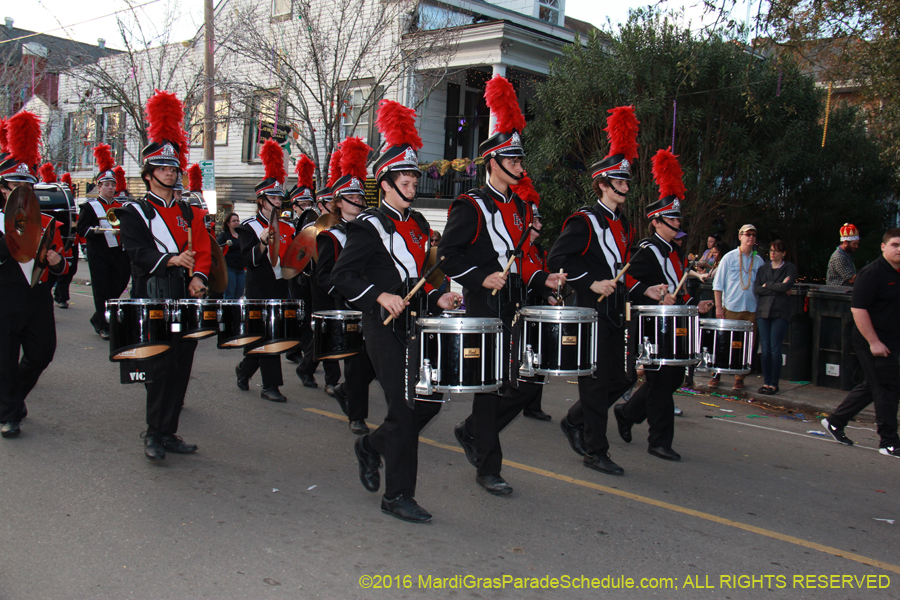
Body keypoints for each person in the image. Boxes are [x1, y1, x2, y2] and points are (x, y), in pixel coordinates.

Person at [331, 99, 462, 522]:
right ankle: (398, 496)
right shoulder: (367, 226)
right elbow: (342, 278)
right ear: (385, 182)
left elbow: (417, 281)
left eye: (413, 173)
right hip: (383, 327)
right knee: (405, 408)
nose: (411, 180)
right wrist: (377, 296)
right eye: (403, 174)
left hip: (418, 322)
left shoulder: (420, 225)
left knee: (429, 403)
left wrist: (438, 296)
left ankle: (369, 447)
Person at [442, 76, 565, 495]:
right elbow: (448, 256)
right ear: (493, 161)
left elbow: (521, 260)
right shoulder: (470, 205)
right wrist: (479, 276)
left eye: (520, 159)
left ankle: (473, 430)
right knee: (491, 383)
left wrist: (540, 276)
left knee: (525, 382)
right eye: (512, 159)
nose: (519, 165)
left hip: (514, 301)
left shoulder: (520, 207)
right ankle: (488, 466)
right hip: (483, 301)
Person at [547, 105, 642, 476]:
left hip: (615, 309)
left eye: (626, 182)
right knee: (596, 379)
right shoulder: (584, 220)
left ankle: (574, 421)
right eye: (619, 182)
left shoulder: (622, 225)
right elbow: (558, 258)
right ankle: (594, 449)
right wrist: (589, 281)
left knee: (621, 378)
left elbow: (620, 266)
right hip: (589, 309)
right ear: (603, 184)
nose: (625, 188)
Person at [115, 91, 210, 460]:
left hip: (185, 295)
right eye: (164, 169)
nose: (171, 173)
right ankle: (153, 433)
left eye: (174, 168)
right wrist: (171, 260)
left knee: (181, 365)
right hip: (153, 292)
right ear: (150, 173)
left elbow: (202, 249)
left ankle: (169, 431)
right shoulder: (134, 212)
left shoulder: (189, 210)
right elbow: (136, 254)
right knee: (159, 365)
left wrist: (199, 277)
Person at [613, 148, 714, 461]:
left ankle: (628, 414)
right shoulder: (646, 250)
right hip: (651, 326)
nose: (676, 224)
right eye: (671, 219)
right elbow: (625, 281)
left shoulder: (674, 253)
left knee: (668, 380)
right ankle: (659, 440)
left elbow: (677, 290)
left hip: (673, 325)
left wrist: (694, 304)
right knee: (661, 380)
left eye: (677, 218)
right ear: (656, 222)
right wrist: (650, 292)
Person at [0, 111, 69, 438]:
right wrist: (14, 233)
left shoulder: (47, 220)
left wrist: (55, 260)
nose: (23, 189)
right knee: (4, 360)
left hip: (37, 295)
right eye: (16, 184)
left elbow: (62, 265)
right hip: (4, 295)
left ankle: (13, 399)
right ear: (2, 188)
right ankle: (8, 413)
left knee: (42, 353)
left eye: (28, 184)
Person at [822, 229, 900, 458]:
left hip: (891, 338)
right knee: (886, 388)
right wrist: (874, 342)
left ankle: (835, 421)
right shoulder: (872, 273)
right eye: (895, 244)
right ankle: (889, 441)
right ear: (883, 247)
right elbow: (858, 309)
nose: (899, 249)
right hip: (870, 339)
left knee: (873, 384)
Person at [316, 137, 374, 435]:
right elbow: (324, 275)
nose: (358, 202)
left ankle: (343, 391)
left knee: (373, 361)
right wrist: (345, 294)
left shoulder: (370, 230)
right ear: (339, 202)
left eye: (360, 197)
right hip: (349, 305)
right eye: (351, 197)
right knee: (354, 361)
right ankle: (356, 415)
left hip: (374, 302)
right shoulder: (330, 236)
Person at [234, 139, 296, 403]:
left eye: (280, 197)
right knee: (269, 336)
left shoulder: (289, 227)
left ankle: (244, 368)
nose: (278, 202)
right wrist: (261, 241)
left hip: (283, 286)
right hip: (259, 287)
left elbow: (294, 257)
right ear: (261, 200)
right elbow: (246, 260)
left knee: (272, 335)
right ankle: (270, 386)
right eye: (273, 198)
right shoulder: (248, 226)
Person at [296, 154, 342, 394]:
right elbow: (302, 253)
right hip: (320, 279)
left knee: (333, 327)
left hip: (340, 277)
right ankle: (332, 378)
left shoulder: (342, 223)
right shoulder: (309, 222)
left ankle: (306, 367)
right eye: (327, 203)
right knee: (327, 327)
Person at [76, 143, 132, 340]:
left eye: (112, 184)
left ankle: (99, 317)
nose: (110, 187)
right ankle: (103, 324)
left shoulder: (122, 205)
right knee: (102, 289)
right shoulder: (90, 206)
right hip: (99, 252)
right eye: (106, 185)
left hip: (119, 252)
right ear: (99, 187)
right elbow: (81, 228)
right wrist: (95, 231)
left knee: (119, 285)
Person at [710, 224, 764, 390]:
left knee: (746, 344)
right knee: (724, 341)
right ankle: (716, 372)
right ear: (740, 236)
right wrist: (719, 307)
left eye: (753, 235)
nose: (750, 238)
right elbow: (717, 285)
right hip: (732, 307)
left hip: (751, 308)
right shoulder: (729, 257)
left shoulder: (759, 260)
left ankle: (739, 377)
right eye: (747, 234)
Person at [521, 201, 554, 422]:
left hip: (539, 309)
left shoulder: (538, 252)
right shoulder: (519, 248)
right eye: (536, 221)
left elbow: (542, 279)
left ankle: (533, 404)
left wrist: (550, 295)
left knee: (540, 357)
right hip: (523, 310)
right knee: (525, 357)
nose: (540, 224)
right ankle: (520, 398)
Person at [285, 154, 318, 364]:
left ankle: (300, 349)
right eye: (302, 202)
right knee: (299, 314)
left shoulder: (314, 220)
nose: (307, 206)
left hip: (309, 274)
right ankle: (296, 349)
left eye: (309, 202)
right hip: (294, 274)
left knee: (307, 316)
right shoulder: (286, 224)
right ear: (294, 205)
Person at [754, 239, 797, 394]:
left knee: (774, 348)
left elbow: (786, 286)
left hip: (780, 311)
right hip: (763, 311)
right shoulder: (763, 268)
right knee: (765, 349)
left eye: (776, 251)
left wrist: (768, 285)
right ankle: (766, 382)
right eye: (771, 250)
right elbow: (757, 289)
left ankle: (774, 383)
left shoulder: (789, 268)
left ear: (783, 253)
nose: (772, 253)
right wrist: (777, 287)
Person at [217, 212, 245, 299]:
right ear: (228, 223)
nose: (236, 223)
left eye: (237, 220)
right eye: (234, 221)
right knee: (230, 293)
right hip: (229, 267)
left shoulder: (242, 235)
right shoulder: (224, 235)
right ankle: (228, 311)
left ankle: (236, 311)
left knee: (239, 293)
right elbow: (218, 252)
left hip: (241, 268)